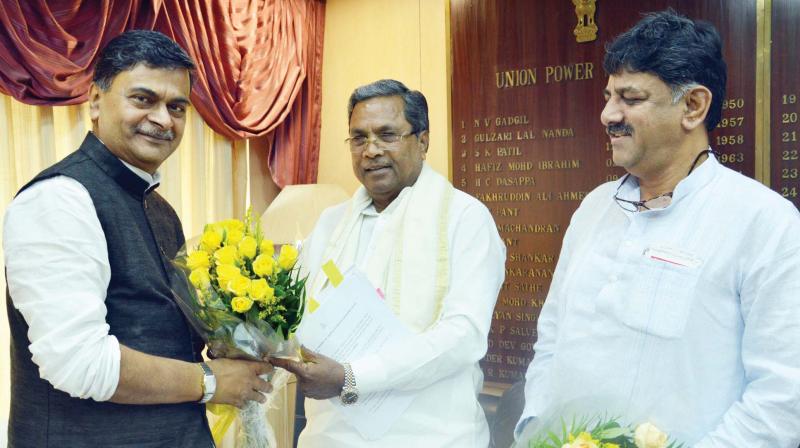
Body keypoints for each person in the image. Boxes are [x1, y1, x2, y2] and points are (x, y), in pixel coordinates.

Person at [515, 10, 800, 447]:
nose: (608, 114)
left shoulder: (766, 224)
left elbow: (782, 397)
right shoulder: (594, 208)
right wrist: (535, 428)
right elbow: (551, 338)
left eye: (631, 98)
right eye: (609, 96)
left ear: (693, 106)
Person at [3, 30, 272, 448]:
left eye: (177, 107)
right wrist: (210, 382)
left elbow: (157, 327)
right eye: (143, 99)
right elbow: (80, 363)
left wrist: (231, 341)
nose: (164, 119)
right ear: (95, 101)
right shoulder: (59, 199)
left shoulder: (161, 210)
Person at [271, 79, 506, 447]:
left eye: (387, 135)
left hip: (431, 437)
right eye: (359, 138)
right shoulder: (331, 223)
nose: (371, 150)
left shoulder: (465, 218)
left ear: (423, 141)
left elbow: (463, 337)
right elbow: (295, 317)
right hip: (331, 437)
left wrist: (351, 377)